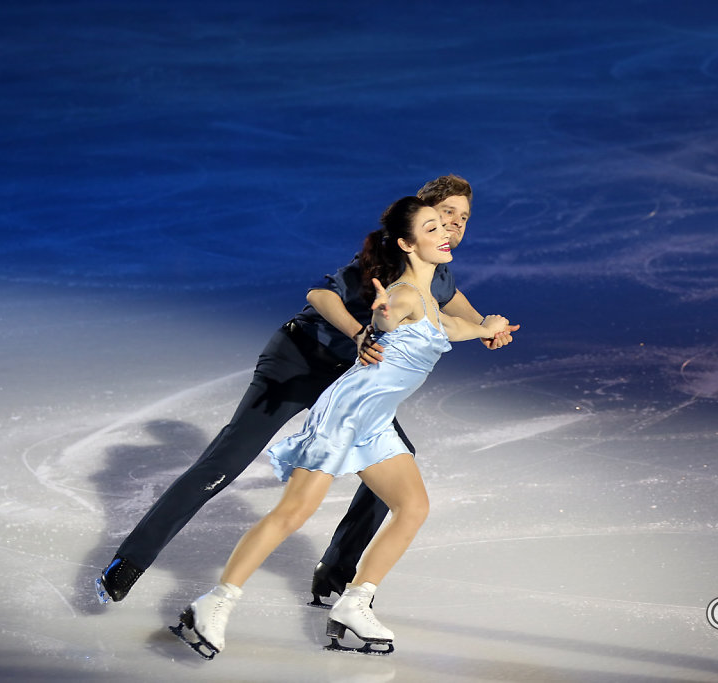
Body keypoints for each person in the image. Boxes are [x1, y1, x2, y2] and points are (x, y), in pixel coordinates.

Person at [96, 175, 519, 603]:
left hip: (347, 380)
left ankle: (336, 571)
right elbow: (320, 296)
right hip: (298, 361)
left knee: (391, 457)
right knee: (226, 460)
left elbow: (450, 298)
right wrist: (359, 333)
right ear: (418, 219)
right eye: (447, 214)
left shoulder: (436, 271)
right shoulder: (383, 264)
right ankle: (131, 559)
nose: (455, 225)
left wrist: (485, 327)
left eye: (464, 218)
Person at [170, 197, 512, 658]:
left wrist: (487, 325)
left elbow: (454, 327)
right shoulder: (406, 295)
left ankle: (354, 603)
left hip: (373, 423)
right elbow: (385, 318)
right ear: (408, 244)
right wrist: (380, 316)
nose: (446, 233)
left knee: (412, 507)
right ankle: (213, 604)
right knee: (293, 514)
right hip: (345, 415)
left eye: (446, 226)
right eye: (431, 229)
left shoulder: (430, 303)